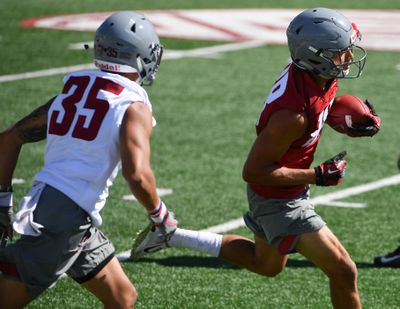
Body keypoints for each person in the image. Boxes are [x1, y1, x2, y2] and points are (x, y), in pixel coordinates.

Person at [131, 7, 381, 309]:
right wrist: (317, 175)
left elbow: (319, 109)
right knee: (344, 270)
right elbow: (254, 170)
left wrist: (351, 116)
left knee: (267, 265)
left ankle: (171, 236)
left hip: (280, 189)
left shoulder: (315, 75)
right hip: (280, 198)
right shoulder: (292, 115)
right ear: (317, 57)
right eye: (341, 53)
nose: (349, 58)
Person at [0, 11, 177, 308]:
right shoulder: (132, 104)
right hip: (63, 219)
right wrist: (159, 215)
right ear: (140, 55)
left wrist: (3, 200)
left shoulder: (72, 90)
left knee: (122, 298)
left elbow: (9, 138)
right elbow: (137, 175)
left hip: (69, 213)